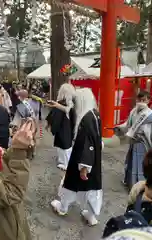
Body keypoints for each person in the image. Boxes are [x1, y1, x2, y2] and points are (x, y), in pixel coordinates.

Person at [51, 88, 103, 226]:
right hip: (94, 160)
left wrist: (84, 167)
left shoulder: (85, 119)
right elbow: (96, 140)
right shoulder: (94, 114)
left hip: (82, 159)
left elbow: (88, 143)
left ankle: (63, 207)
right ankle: (91, 216)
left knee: (70, 185)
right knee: (93, 189)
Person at [115, 90, 152, 190]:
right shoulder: (133, 111)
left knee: (141, 164)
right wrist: (119, 127)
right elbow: (128, 124)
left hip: (142, 143)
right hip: (133, 141)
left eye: (144, 100)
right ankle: (131, 183)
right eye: (139, 99)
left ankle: (142, 186)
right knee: (131, 162)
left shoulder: (149, 114)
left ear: (148, 101)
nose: (141, 101)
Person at [46, 83, 76, 170]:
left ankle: (65, 163)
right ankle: (66, 162)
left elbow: (55, 118)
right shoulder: (73, 104)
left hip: (62, 128)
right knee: (67, 146)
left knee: (63, 146)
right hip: (70, 128)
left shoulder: (61, 103)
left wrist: (52, 127)